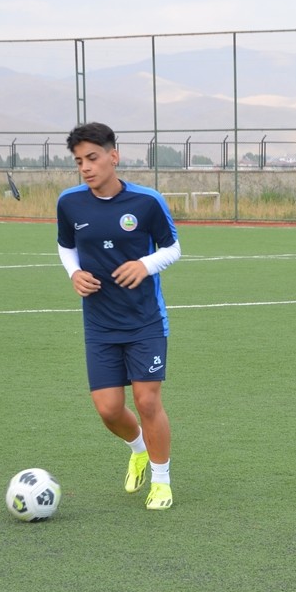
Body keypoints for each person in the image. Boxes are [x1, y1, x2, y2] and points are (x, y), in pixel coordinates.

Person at [56, 122, 181, 511]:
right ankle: (139, 449)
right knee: (109, 409)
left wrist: (145, 264)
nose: (86, 167)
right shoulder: (69, 203)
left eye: (92, 158)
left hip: (145, 319)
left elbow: (173, 248)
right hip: (99, 322)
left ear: (114, 156)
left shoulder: (146, 201)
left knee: (147, 401)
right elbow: (65, 246)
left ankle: (161, 481)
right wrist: (74, 273)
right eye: (79, 161)